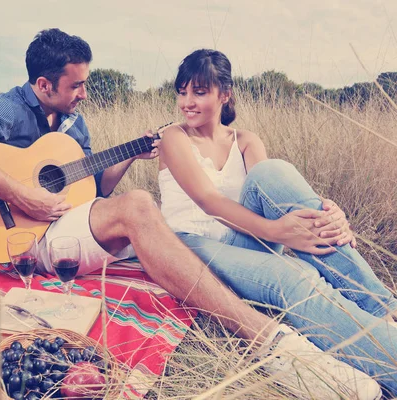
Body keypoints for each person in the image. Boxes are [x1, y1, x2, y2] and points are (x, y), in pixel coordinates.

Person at [0, 29, 381, 398]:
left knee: (138, 205)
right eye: (76, 85)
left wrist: (122, 157)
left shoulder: (73, 124)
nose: (85, 93)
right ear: (43, 86)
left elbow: (91, 189)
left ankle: (381, 313)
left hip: (62, 223)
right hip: (17, 234)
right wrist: (21, 196)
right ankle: (275, 346)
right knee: (142, 207)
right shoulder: (6, 111)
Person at [158, 48, 397, 396]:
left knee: (274, 171)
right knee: (294, 276)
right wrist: (275, 232)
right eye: (182, 91)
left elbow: (274, 195)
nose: (187, 102)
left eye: (199, 91)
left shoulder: (246, 140)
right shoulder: (173, 137)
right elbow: (208, 201)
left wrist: (327, 213)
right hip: (192, 243)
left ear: (225, 94)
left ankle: (383, 309)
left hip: (243, 239)